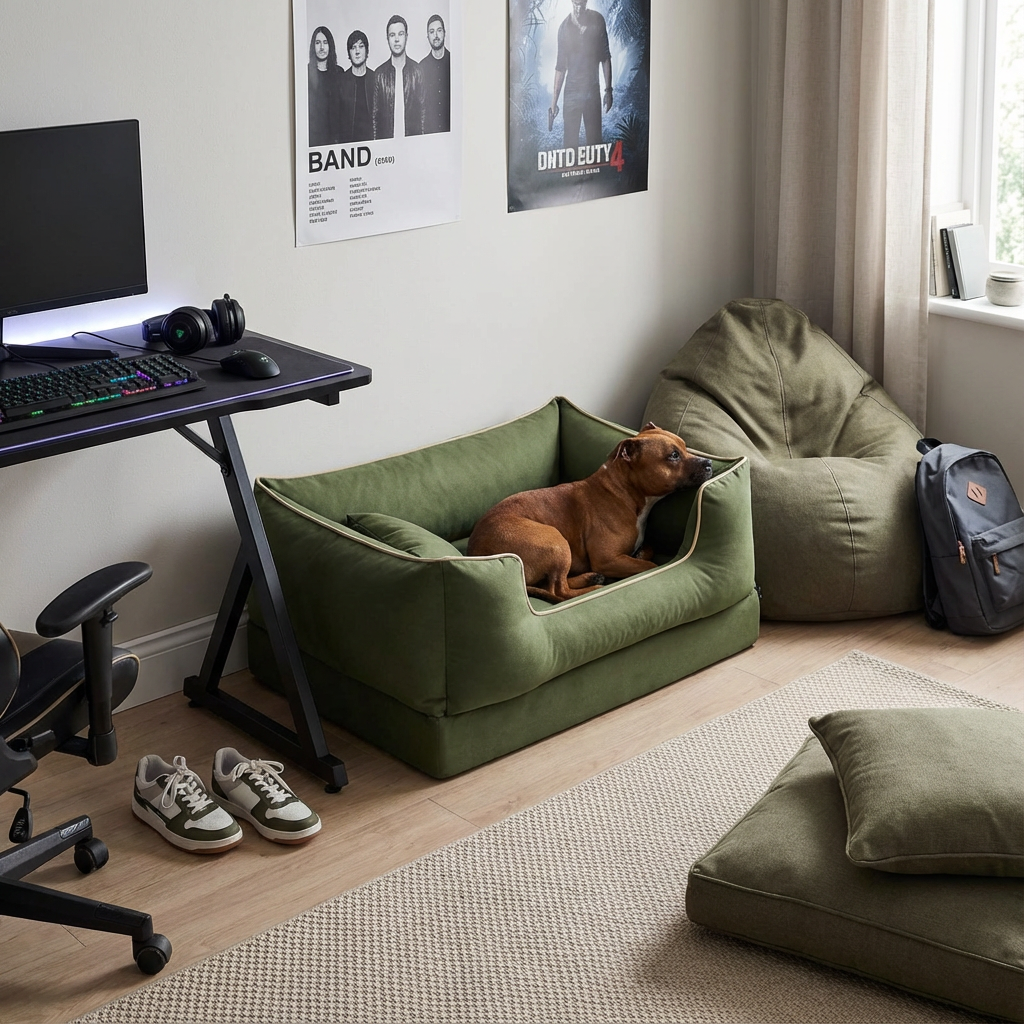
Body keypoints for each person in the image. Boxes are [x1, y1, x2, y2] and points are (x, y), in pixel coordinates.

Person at [548, 0, 612, 150]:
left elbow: (605, 57)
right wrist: (554, 102)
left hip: (592, 91)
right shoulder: (564, 28)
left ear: (586, 2)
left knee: (595, 143)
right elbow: (560, 67)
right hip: (571, 93)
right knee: (570, 145)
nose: (578, 8)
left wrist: (609, 91)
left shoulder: (597, 20)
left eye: (581, 4)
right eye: (575, 4)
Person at [372, 14, 424, 139]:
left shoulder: (417, 71)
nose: (396, 39)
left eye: (400, 34)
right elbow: (375, 118)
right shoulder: (379, 74)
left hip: (412, 144)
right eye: (392, 35)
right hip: (387, 145)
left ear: (406, 36)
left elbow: (423, 113)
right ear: (387, 39)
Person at [307, 25, 345, 147]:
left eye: (325, 42)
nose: (322, 47)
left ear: (330, 46)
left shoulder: (339, 73)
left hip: (335, 141)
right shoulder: (306, 73)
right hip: (313, 140)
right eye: (318, 43)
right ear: (313, 46)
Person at [338, 30, 375, 143]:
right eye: (353, 47)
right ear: (349, 53)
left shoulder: (376, 79)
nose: (357, 51)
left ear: (367, 51)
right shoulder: (341, 81)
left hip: (372, 144)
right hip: (348, 145)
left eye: (361, 46)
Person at [420, 14, 451, 134]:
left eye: (439, 30)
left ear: (444, 33)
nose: (436, 36)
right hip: (430, 135)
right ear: (427, 36)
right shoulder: (421, 68)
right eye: (432, 32)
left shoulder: (454, 62)